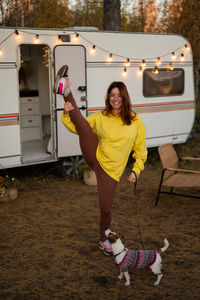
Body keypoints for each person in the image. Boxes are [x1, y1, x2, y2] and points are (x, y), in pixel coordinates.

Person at [53, 65, 147, 256]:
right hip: (95, 155)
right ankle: (66, 90)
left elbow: (140, 149)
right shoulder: (102, 117)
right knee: (86, 129)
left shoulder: (136, 122)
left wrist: (136, 170)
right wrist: (66, 113)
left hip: (111, 171)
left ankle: (103, 240)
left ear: (124, 97)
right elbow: (77, 127)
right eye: (112, 94)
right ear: (108, 97)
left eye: (119, 95)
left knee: (106, 209)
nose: (115, 98)